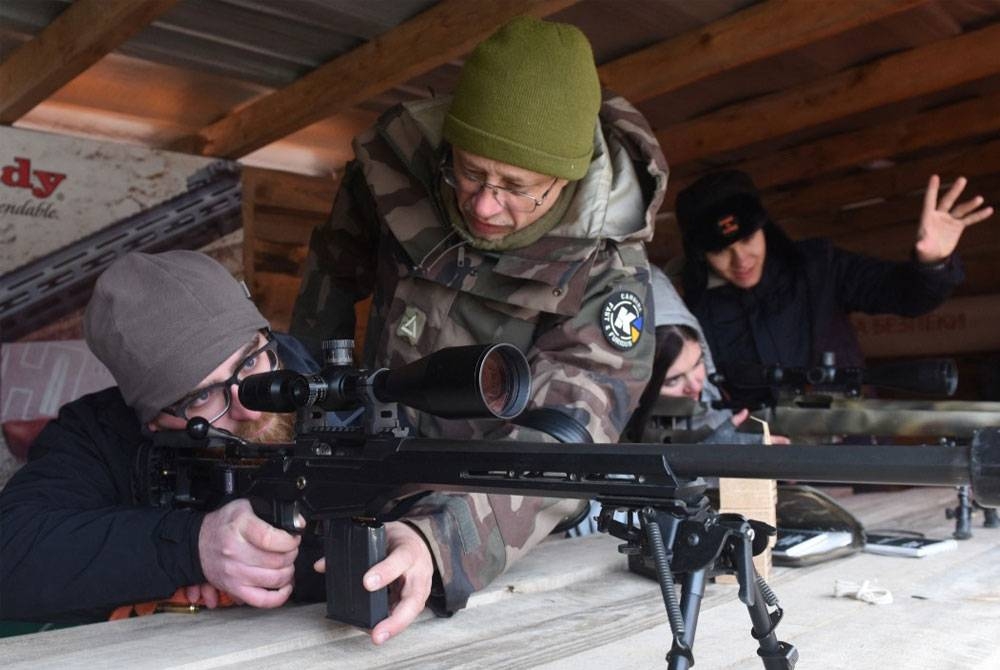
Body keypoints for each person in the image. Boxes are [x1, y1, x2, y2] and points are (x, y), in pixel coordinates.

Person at [290, 17, 668, 595]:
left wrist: (441, 538)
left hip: (492, 518)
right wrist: (304, 414)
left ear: (566, 180)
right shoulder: (397, 164)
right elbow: (331, 280)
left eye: (517, 188)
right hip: (361, 464)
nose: (485, 206)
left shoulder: (608, 268)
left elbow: (568, 433)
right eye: (469, 172)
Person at [0, 251, 443, 645]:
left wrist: (428, 540)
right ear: (152, 420)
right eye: (201, 397)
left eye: (250, 361)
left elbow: (467, 489)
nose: (249, 406)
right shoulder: (98, 433)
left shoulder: (349, 399)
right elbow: (12, 554)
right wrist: (190, 547)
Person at [674, 169, 994, 402]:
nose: (741, 259)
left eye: (747, 239)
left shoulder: (819, 266)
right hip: (765, 472)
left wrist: (932, 264)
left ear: (765, 229)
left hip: (855, 450)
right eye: (720, 250)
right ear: (701, 255)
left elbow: (906, 296)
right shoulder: (694, 313)